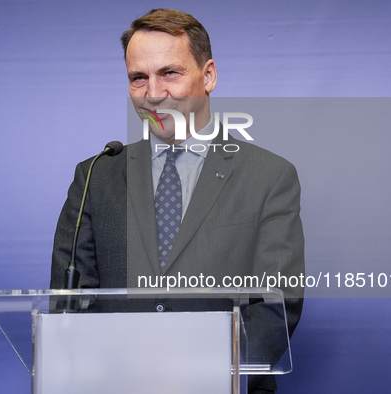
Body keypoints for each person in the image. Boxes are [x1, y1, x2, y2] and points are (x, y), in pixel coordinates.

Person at [51, 9, 304, 394]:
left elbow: (276, 307)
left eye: (169, 73)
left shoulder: (269, 176)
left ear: (209, 76)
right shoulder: (95, 175)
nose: (153, 93)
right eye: (139, 78)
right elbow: (69, 304)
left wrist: (197, 371)